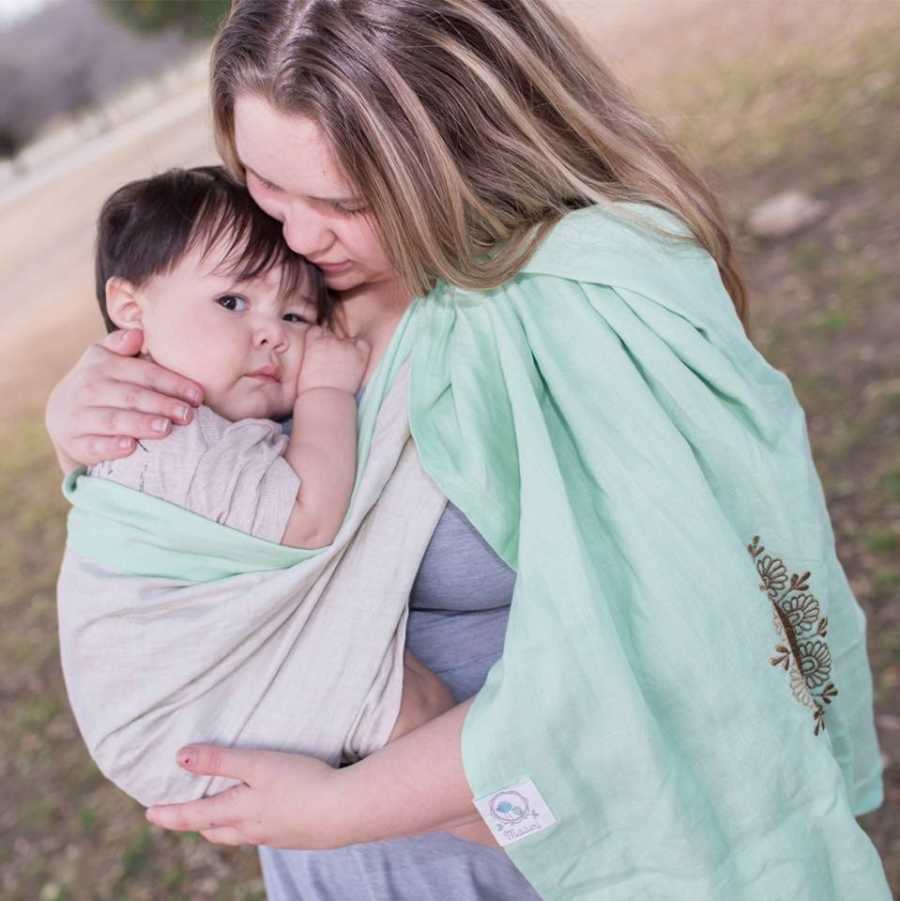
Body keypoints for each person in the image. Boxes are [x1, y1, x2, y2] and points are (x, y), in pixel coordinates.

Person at [46, 1, 890, 899]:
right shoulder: (287, 285)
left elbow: (671, 648)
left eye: (343, 202)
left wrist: (345, 805)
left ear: (459, 153)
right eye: (264, 181)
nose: (295, 235)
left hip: (547, 859)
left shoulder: (581, 308)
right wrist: (106, 410)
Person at [58, 164, 458, 808]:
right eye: (232, 302)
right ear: (131, 309)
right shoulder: (169, 434)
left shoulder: (204, 425)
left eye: (298, 315)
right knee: (423, 717)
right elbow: (308, 518)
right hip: (182, 716)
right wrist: (327, 390)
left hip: (196, 704)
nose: (273, 332)